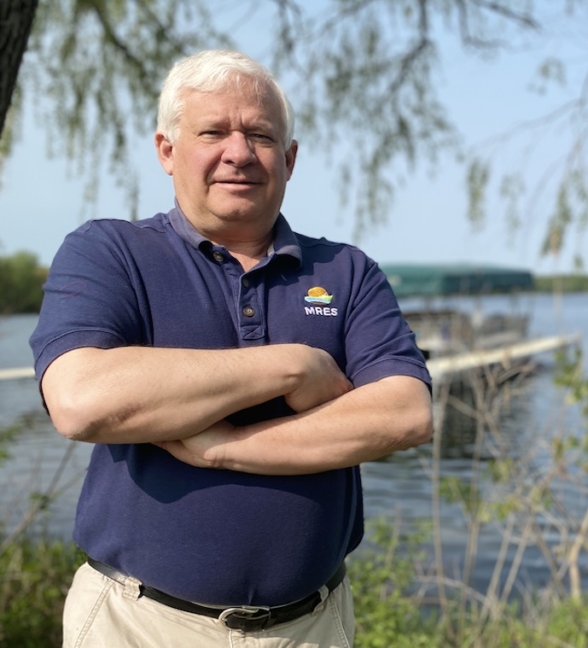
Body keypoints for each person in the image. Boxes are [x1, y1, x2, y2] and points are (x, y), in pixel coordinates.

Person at [29, 49, 433, 647]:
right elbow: (83, 400)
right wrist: (296, 365)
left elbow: (404, 412)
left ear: (289, 159)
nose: (238, 153)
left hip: (312, 627)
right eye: (213, 131)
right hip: (137, 624)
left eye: (261, 136)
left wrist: (223, 448)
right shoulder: (109, 253)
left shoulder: (347, 271)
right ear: (167, 150)